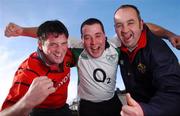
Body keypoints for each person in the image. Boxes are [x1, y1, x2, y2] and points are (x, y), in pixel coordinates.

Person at [2, 19, 180, 116]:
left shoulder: (114, 44)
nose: (93, 43)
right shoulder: (75, 47)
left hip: (111, 102)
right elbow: (47, 36)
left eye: (97, 36)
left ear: (105, 36)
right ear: (81, 39)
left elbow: (144, 26)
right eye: (87, 37)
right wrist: (22, 31)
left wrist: (169, 35)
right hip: (87, 106)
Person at [114, 4, 180, 116]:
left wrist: (145, 111)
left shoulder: (157, 51)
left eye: (130, 23)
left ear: (140, 24)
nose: (125, 30)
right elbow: (149, 26)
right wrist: (169, 34)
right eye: (119, 25)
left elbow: (174, 92)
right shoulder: (117, 44)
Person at [1, 20, 74, 116]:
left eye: (63, 43)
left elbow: (44, 33)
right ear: (40, 45)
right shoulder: (27, 71)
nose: (60, 51)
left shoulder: (68, 54)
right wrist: (27, 101)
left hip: (63, 107)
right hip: (39, 111)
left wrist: (23, 30)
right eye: (53, 44)